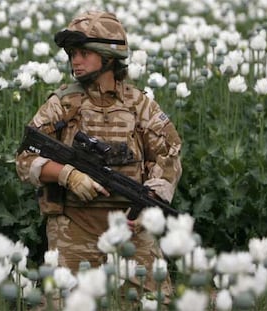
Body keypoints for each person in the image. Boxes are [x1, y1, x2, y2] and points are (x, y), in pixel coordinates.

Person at [16, 11, 182, 299]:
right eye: (71, 54)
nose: (74, 61)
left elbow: (169, 157)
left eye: (83, 53)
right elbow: (25, 160)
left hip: (130, 229)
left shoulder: (140, 106)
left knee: (152, 303)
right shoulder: (62, 105)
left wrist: (146, 210)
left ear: (108, 57)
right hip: (74, 228)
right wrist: (67, 175)